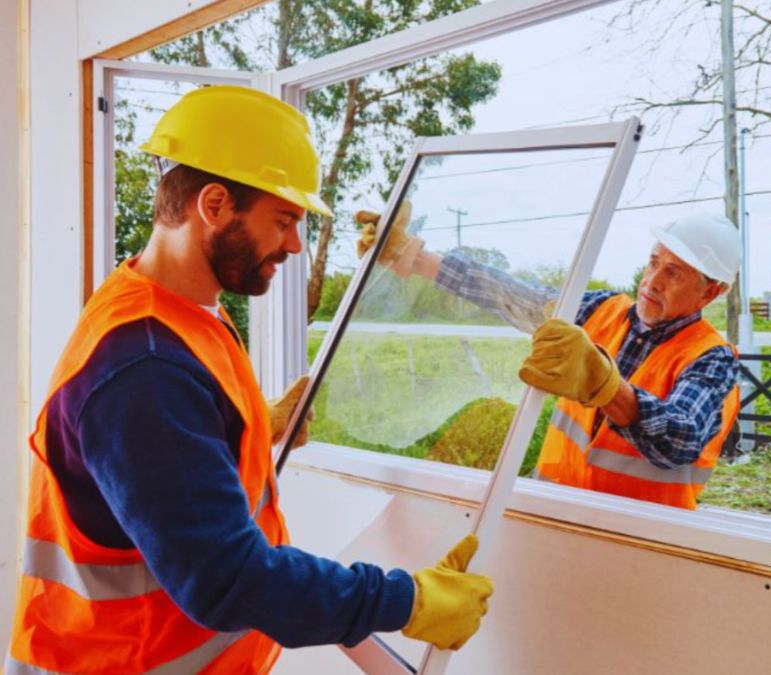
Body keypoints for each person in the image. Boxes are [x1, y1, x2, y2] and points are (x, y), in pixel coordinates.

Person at [6, 86, 492, 674]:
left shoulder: (173, 310)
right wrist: (404, 601)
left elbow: (161, 465)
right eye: (284, 220)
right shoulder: (145, 366)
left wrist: (253, 427)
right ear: (213, 205)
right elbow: (226, 579)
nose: (293, 244)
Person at [358, 205, 742, 510]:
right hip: (554, 510)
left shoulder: (712, 360)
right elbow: (511, 295)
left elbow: (679, 438)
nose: (653, 281)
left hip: (638, 540)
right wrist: (414, 258)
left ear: (711, 293)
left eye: (674, 273)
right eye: (654, 262)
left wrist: (605, 387)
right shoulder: (599, 311)